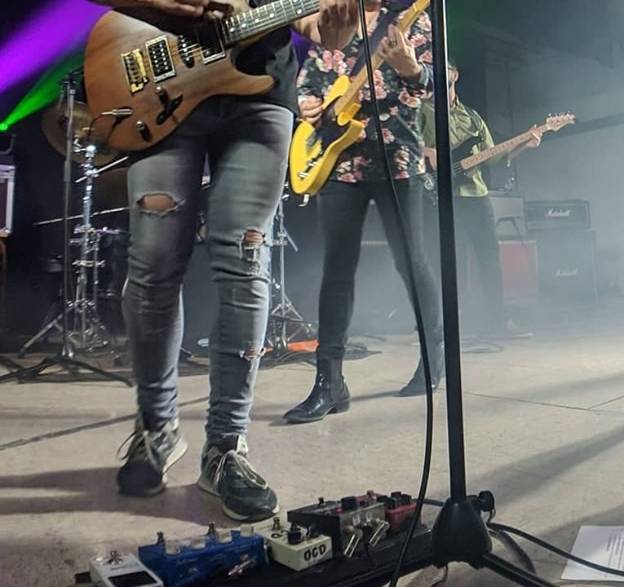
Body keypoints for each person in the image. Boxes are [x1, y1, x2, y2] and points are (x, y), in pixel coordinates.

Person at [89, 0, 375, 522]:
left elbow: (316, 26)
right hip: (161, 78)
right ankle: (156, 429)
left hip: (260, 93)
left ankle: (226, 447)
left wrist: (334, 24)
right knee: (152, 267)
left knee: (245, 257)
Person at [283, 1, 441, 425]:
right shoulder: (332, 17)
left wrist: (409, 68)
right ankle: (329, 381)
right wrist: (308, 105)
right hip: (339, 159)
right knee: (336, 269)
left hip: (397, 157)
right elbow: (307, 82)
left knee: (411, 261)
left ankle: (433, 359)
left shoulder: (414, 18)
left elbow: (427, 87)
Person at [419, 61, 539, 339]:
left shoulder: (472, 117)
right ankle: (442, 327)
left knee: (489, 259)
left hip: (476, 194)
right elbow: (402, 143)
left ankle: (498, 323)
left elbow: (494, 155)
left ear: (455, 74)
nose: (438, 71)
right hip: (440, 196)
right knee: (446, 262)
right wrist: (428, 151)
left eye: (445, 67)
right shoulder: (422, 109)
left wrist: (523, 144)